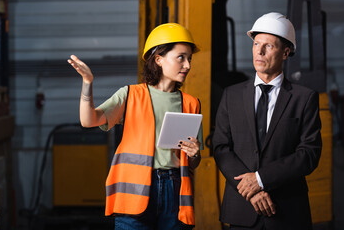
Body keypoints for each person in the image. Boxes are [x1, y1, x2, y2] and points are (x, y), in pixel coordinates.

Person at [68, 23, 203, 230]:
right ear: (158, 59)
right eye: (181, 57)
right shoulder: (131, 95)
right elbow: (89, 120)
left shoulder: (191, 103)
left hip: (174, 190)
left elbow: (192, 162)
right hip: (134, 190)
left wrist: (194, 155)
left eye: (189, 59)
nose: (187, 65)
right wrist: (87, 82)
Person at [213, 12, 322, 230]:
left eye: (269, 46)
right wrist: (250, 189)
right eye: (256, 44)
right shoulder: (231, 95)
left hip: (287, 212)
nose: (259, 51)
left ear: (285, 52)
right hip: (242, 210)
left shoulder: (304, 98)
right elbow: (221, 148)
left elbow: (308, 154)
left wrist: (261, 179)